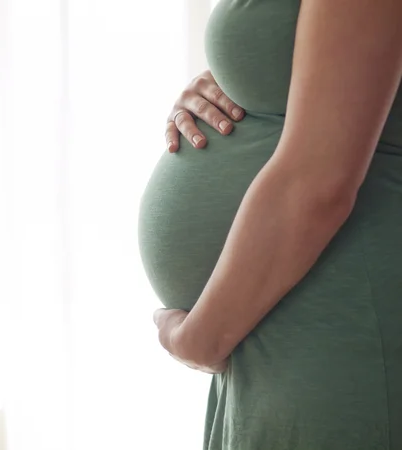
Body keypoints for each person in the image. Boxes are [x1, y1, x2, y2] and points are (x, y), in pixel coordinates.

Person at [137, 0, 402, 448]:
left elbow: (318, 183)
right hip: (269, 313)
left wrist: (199, 339)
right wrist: (226, 82)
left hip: (338, 323)